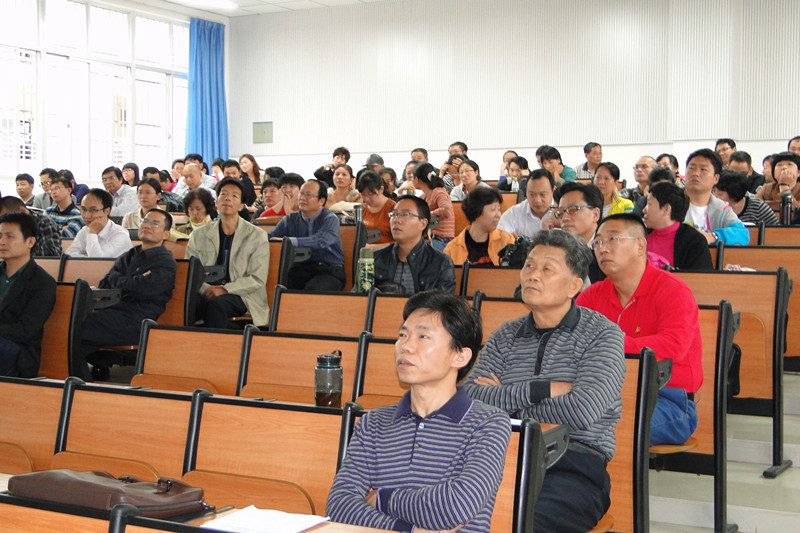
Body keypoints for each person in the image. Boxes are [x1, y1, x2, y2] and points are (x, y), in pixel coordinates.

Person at [464, 229, 625, 532]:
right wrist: (541, 390)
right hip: (500, 454)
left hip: (572, 463)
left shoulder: (603, 335)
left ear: (574, 285)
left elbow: (582, 411)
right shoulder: (505, 335)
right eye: (529, 265)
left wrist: (507, 402)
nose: (532, 275)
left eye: (547, 269)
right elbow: (471, 399)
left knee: (526, 525)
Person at [327, 291, 510, 532]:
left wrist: (381, 498)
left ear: (460, 356)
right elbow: (339, 505)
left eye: (423, 337)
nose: (405, 346)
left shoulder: (489, 423)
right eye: (403, 335)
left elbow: (458, 505)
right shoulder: (373, 422)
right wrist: (408, 529)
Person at [577, 214, 702, 446]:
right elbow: (572, 343)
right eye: (598, 242)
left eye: (613, 239)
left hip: (668, 400)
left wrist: (610, 343)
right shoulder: (591, 296)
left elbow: (673, 346)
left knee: (606, 424)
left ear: (640, 245)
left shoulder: (673, 291)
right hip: (603, 394)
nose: (602, 248)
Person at [75, 208, 177, 381]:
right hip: (111, 312)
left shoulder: (165, 262)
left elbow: (142, 290)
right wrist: (130, 281)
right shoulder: (129, 255)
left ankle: (79, 382)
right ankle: (79, 378)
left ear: (166, 234)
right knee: (72, 325)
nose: (147, 225)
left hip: (137, 321)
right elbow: (105, 283)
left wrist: (122, 280)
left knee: (77, 327)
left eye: (155, 223)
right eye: (145, 221)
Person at [186, 178, 269, 328]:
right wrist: (205, 289)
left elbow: (257, 278)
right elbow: (190, 272)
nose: (227, 198)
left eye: (234, 196)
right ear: (216, 202)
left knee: (217, 305)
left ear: (241, 206)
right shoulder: (198, 235)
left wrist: (225, 289)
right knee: (186, 303)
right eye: (223, 194)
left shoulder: (257, 235)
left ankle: (216, 343)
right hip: (205, 290)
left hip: (241, 294)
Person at [0, 212, 57, 377]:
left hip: (19, 352)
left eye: (10, 236)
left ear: (30, 242)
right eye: (0, 236)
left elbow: (25, 330)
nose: (2, 241)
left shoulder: (42, 282)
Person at [268, 179, 345, 291]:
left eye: (308, 195)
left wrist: (288, 242)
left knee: (313, 289)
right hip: (301, 269)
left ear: (321, 201)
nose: (302, 198)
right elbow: (271, 236)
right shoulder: (290, 219)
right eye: (301, 193)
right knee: (279, 285)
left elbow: (321, 241)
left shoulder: (330, 218)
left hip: (329, 270)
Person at [374, 196, 455, 294]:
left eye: (405, 214)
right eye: (394, 214)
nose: (396, 220)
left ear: (423, 224)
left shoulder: (441, 263)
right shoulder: (375, 259)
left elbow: (443, 302)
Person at [683, 148, 749, 245]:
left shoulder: (721, 208)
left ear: (716, 178)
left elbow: (742, 234)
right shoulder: (671, 202)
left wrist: (713, 236)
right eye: (691, 168)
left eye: (703, 169)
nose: (695, 173)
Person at [643, 182, 714, 270]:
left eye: (649, 204)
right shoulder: (639, 235)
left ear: (666, 209)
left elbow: (701, 276)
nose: (644, 209)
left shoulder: (694, 241)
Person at [444, 187, 515, 266]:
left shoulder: (506, 240)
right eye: (493, 209)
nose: (498, 215)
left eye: (498, 209)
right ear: (477, 212)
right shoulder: (452, 249)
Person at [66, 189, 132, 258]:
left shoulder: (120, 235)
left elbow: (98, 261)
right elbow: (69, 254)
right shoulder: (85, 230)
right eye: (84, 209)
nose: (87, 216)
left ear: (107, 211)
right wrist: (86, 258)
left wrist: (92, 233)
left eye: (93, 210)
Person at [498, 168, 555, 238]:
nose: (537, 200)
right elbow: (500, 234)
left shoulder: (562, 212)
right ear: (526, 191)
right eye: (532, 194)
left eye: (543, 194)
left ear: (553, 191)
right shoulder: (514, 213)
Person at [413, 163, 454, 252]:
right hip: (430, 237)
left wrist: (427, 215)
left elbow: (447, 211)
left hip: (443, 240)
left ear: (416, 179)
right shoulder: (423, 196)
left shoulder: (439, 192)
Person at [713, 170, 778, 226]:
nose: (714, 196)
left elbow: (776, 232)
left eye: (719, 194)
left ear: (734, 195)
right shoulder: (711, 207)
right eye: (713, 191)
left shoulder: (758, 208)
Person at [356, 171, 394, 244]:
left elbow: (400, 241)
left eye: (370, 194)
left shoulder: (393, 208)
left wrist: (377, 248)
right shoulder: (362, 209)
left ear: (381, 189)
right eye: (363, 194)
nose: (366, 199)